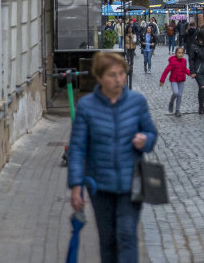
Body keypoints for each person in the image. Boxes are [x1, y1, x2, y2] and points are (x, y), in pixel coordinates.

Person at [68, 52, 158, 263]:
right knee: (107, 242)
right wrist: (75, 186)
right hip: (100, 186)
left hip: (131, 183)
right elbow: (77, 148)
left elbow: (152, 133)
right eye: (112, 75)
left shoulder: (137, 102)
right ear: (99, 78)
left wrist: (145, 140)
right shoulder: (87, 106)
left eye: (122, 74)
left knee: (127, 236)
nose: (118, 79)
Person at [161, 46, 191, 117]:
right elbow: (166, 71)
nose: (180, 54)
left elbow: (185, 69)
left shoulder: (184, 61)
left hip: (181, 80)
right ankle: (171, 102)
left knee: (180, 95)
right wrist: (162, 80)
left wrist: (191, 73)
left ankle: (177, 110)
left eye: (182, 53)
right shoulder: (173, 61)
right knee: (175, 92)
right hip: (174, 80)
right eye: (179, 53)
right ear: (175, 53)